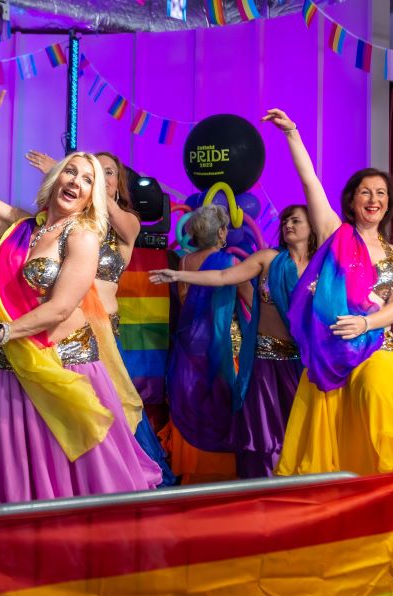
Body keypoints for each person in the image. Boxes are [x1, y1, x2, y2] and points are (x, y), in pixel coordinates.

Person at [0, 86, 161, 505]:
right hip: (11, 367)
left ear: (92, 197)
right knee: (12, 474)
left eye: (88, 179)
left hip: (63, 369)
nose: (77, 181)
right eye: (72, 172)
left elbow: (62, 307)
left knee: (70, 480)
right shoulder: (22, 226)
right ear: (55, 179)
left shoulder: (82, 236)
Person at [262, 108, 393, 475]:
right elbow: (310, 183)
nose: (374, 198)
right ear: (352, 201)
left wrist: (365, 323)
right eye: (366, 192)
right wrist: (292, 133)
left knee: (383, 424)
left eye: (381, 193)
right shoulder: (336, 236)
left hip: (377, 347)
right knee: (324, 449)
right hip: (329, 354)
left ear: (388, 204)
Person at [26, 149, 176, 486]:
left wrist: (87, 182)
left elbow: (120, 220)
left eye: (107, 172)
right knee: (73, 413)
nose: (100, 177)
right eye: (95, 171)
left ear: (119, 183)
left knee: (116, 413)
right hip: (65, 329)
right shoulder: (75, 225)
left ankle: (132, 483)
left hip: (103, 335)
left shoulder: (127, 223)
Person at [150, 205, 315, 477]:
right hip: (263, 362)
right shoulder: (267, 259)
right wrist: (179, 275)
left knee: (302, 428)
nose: (288, 225)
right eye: (285, 220)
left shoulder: (320, 268)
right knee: (263, 434)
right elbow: (224, 277)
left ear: (312, 228)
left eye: (296, 221)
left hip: (301, 363)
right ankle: (263, 489)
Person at [157, 205, 252, 483]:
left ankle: (192, 472)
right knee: (220, 405)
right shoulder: (230, 264)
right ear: (222, 232)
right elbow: (250, 299)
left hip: (188, 349)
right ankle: (223, 473)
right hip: (220, 348)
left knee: (191, 404)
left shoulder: (184, 263)